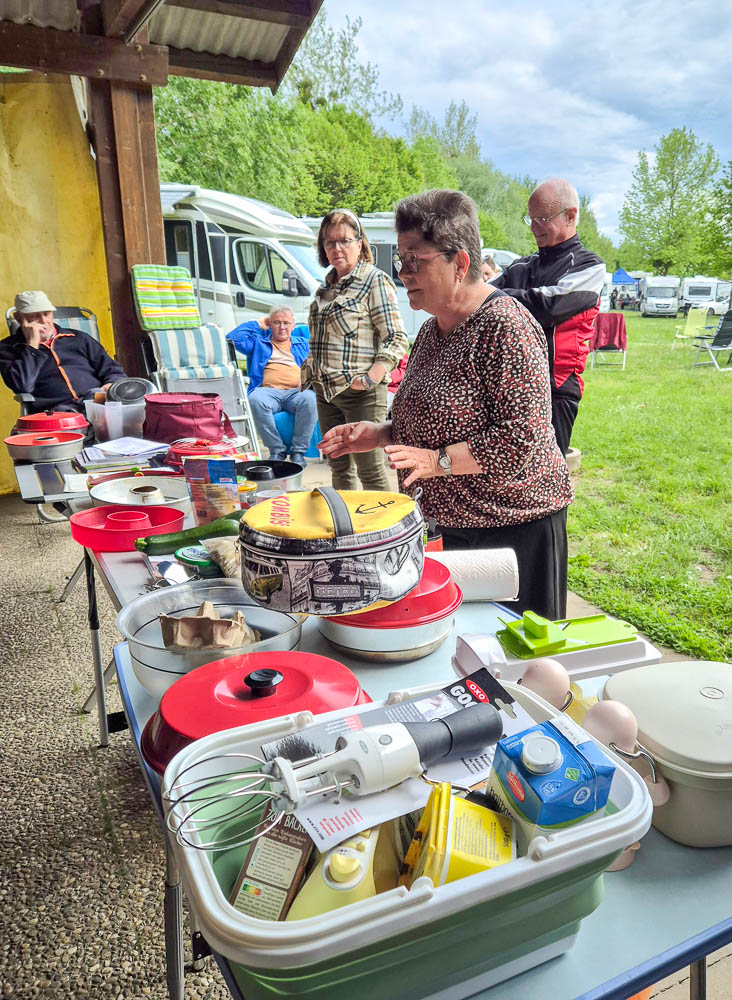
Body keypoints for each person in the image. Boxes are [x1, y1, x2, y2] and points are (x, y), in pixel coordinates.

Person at [319, 189, 573, 620]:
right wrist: (380, 433)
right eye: (401, 260)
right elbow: (434, 418)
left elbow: (521, 438)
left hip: (512, 531)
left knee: (513, 667)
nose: (403, 273)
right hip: (452, 528)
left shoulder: (505, 326)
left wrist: (435, 462)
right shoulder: (432, 331)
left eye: (416, 260)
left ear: (460, 263)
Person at [491, 178, 606, 455]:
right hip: (507, 387)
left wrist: (502, 297)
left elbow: (548, 306)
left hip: (554, 391)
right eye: (529, 218)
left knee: (546, 481)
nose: (534, 227)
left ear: (571, 216)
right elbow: (476, 297)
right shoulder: (520, 265)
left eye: (542, 218)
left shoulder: (589, 266)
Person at [304, 208, 409, 491]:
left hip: (361, 394)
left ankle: (383, 532)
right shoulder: (325, 288)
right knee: (338, 467)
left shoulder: (374, 280)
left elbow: (396, 337)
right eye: (330, 242)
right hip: (326, 392)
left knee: (370, 470)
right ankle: (347, 528)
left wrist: (370, 378)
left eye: (344, 240)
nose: (337, 248)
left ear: (359, 243)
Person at [0, 291, 126, 412]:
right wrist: (32, 346)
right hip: (55, 410)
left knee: (135, 407)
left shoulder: (79, 338)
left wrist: (110, 384)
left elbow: (113, 370)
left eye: (47, 313)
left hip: (95, 400)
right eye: (34, 316)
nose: (44, 321)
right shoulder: (8, 348)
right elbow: (22, 385)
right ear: (18, 318)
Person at [226, 306, 317, 464]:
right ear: (270, 324)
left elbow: (320, 362)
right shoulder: (258, 343)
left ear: (293, 326)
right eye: (277, 322)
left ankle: (298, 451)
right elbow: (233, 338)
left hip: (296, 392)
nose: (282, 327)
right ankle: (277, 450)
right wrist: (257, 323)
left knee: (311, 399)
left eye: (286, 323)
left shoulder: (303, 344)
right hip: (267, 391)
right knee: (255, 399)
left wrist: (307, 376)